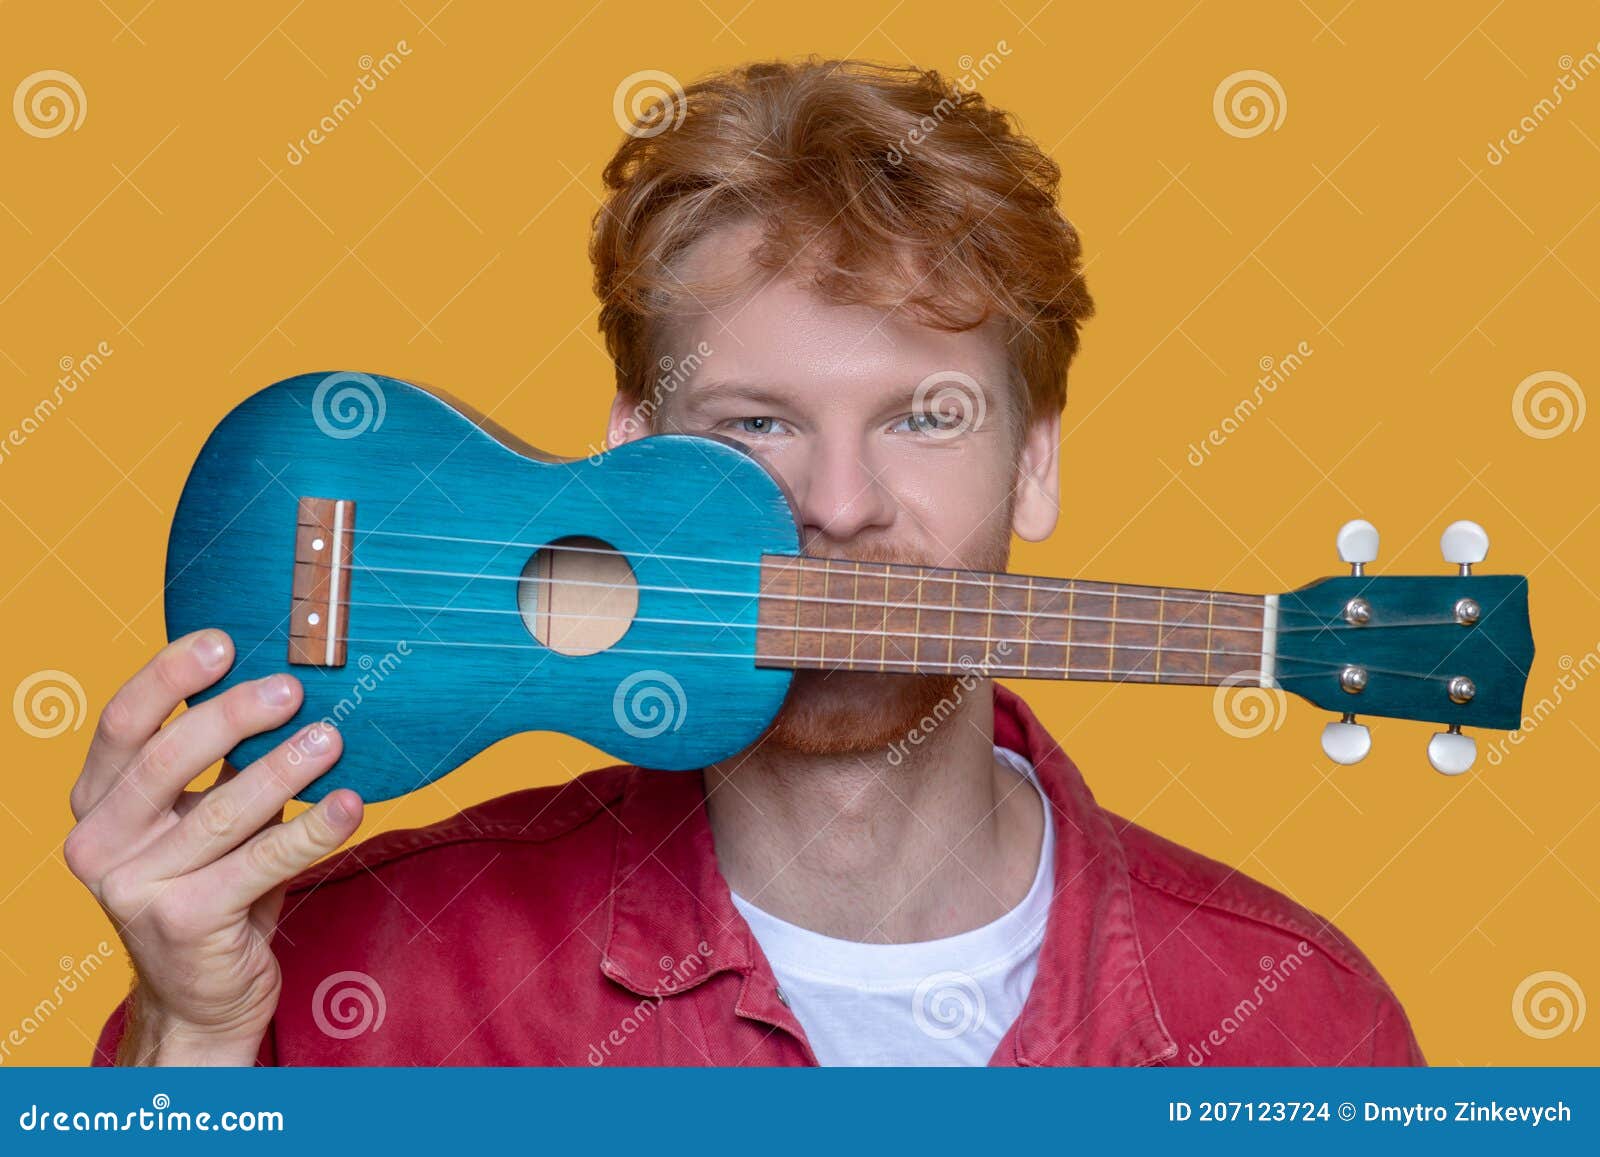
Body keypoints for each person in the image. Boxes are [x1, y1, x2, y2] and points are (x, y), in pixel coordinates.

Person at [76, 58, 1424, 1066]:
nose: (836, 505)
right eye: (756, 424)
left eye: (923, 417)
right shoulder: (351, 976)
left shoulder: (1295, 1019)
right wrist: (191, 1042)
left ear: (1036, 465)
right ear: (630, 460)